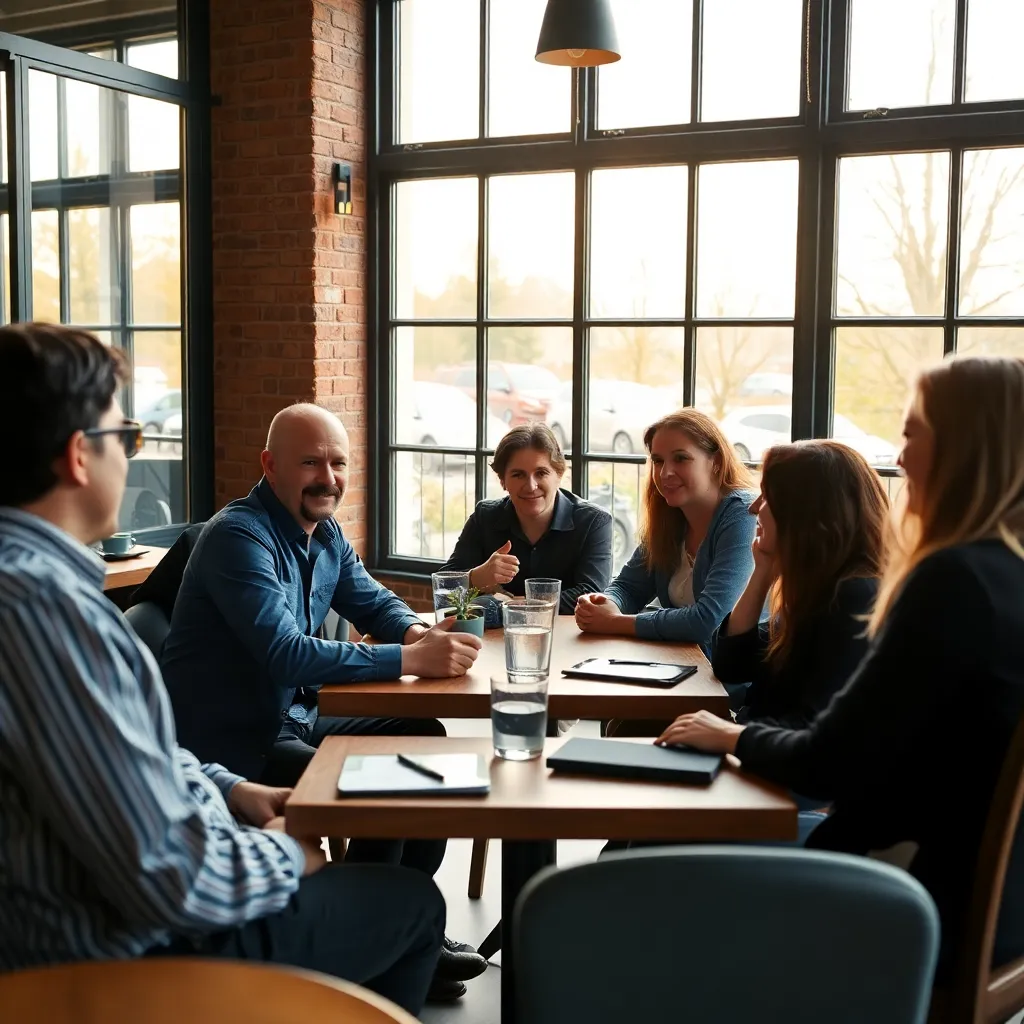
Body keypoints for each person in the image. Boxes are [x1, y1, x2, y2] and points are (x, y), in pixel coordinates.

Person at [0, 324, 443, 1016]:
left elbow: (123, 758)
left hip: (142, 865)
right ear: (79, 456)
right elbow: (168, 877)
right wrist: (289, 858)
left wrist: (232, 792)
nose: (134, 460)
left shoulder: (37, 593)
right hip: (106, 962)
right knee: (413, 907)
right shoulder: (42, 609)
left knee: (410, 746)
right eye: (130, 437)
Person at [657, 357, 1024, 975]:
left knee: (631, 884)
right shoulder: (1004, 576)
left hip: (910, 906)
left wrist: (734, 734)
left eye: (911, 435)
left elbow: (829, 761)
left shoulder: (950, 581)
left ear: (963, 448)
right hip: (998, 914)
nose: (900, 459)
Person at [160, 403, 486, 1001]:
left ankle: (396, 928)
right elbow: (285, 653)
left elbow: (373, 601)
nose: (328, 478)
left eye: (338, 463)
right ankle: (380, 935)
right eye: (311, 463)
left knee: (420, 740)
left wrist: (418, 634)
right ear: (270, 465)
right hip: (235, 743)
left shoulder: (324, 531)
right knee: (386, 783)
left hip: (294, 716)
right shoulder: (238, 536)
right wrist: (413, 661)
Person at [715, 440, 888, 730]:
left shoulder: (853, 597)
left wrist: (730, 736)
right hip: (759, 748)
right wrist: (762, 572)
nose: (754, 508)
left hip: (775, 764)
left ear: (805, 511)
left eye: (767, 497)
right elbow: (731, 665)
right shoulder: (818, 588)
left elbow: (815, 726)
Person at [576, 409, 757, 656]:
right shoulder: (670, 515)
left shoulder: (742, 514)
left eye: (681, 458)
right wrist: (604, 604)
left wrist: (614, 622)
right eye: (658, 461)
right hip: (679, 667)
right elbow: (629, 587)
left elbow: (709, 621)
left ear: (716, 461)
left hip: (731, 683)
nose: (665, 473)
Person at [440, 422, 612, 614]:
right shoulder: (485, 516)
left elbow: (592, 595)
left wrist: (514, 605)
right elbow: (443, 589)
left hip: (571, 639)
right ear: (503, 481)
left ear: (559, 474)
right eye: (518, 475)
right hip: (495, 640)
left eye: (541, 473)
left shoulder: (594, 522)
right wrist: (477, 577)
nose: (530, 486)